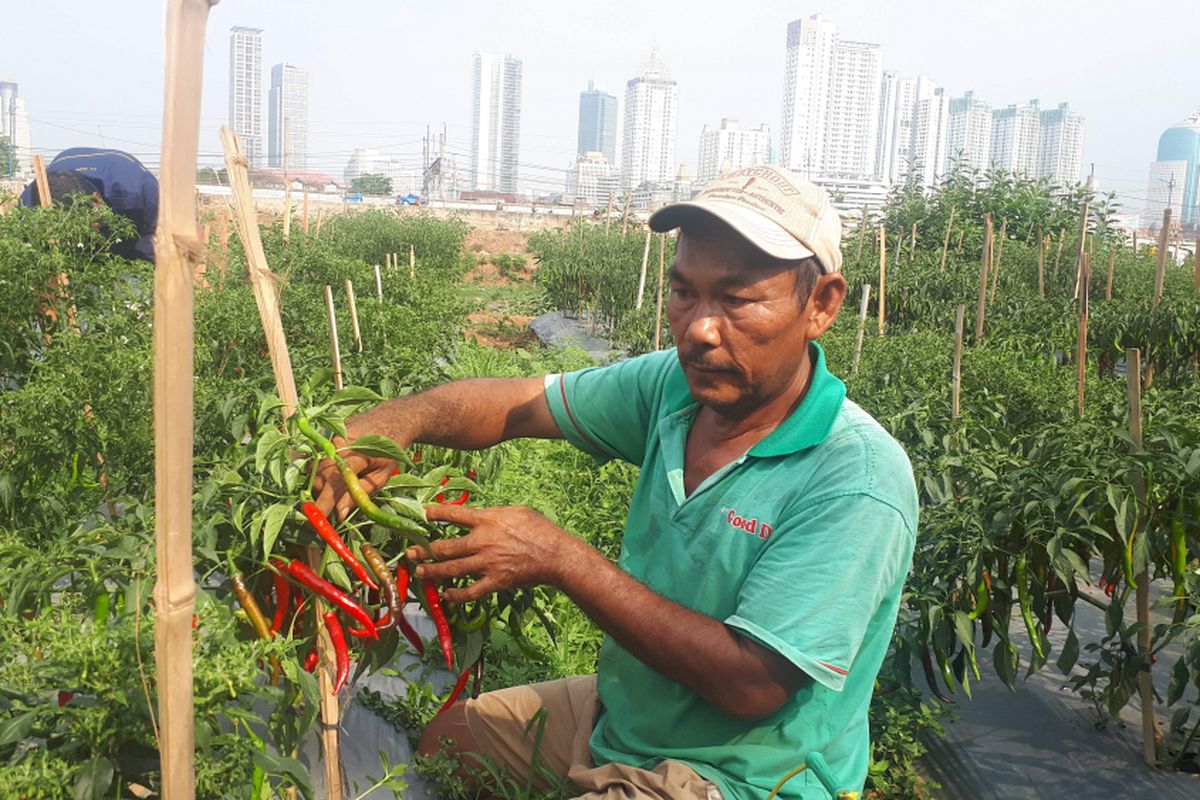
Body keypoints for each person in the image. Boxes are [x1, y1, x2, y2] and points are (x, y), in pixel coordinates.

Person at [314, 165, 917, 800]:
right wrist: (395, 422)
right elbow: (519, 403)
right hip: (631, 714)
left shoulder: (855, 479)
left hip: (744, 773)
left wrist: (559, 559)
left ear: (820, 304)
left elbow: (752, 684)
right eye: (684, 292)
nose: (700, 329)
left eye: (737, 299)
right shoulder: (674, 390)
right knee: (453, 742)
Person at [21, 147, 159, 263]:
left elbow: (158, 237)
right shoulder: (32, 201)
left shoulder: (138, 188)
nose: (83, 237)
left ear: (97, 200)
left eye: (85, 228)